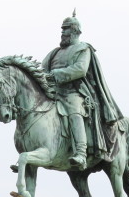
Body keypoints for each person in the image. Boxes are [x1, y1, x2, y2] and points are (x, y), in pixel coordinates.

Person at [41, 11, 123, 170]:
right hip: (54, 93)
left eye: (66, 29)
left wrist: (57, 74)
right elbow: (42, 70)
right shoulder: (54, 53)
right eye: (62, 29)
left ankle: (81, 153)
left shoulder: (83, 49)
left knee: (74, 110)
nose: (62, 33)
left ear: (75, 31)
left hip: (76, 92)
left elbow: (80, 69)